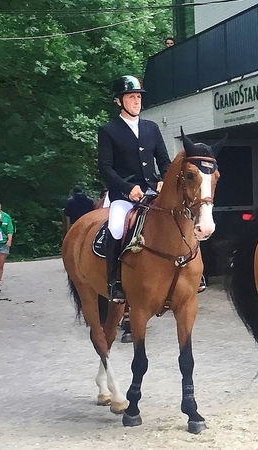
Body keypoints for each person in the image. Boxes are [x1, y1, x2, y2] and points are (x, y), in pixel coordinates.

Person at [98, 75, 171, 303]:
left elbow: (165, 161)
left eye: (138, 97)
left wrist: (164, 180)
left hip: (152, 192)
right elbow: (105, 168)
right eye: (131, 97)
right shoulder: (108, 130)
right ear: (119, 101)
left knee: (179, 219)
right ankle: (114, 281)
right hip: (124, 195)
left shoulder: (152, 128)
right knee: (117, 227)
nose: (136, 101)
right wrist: (128, 188)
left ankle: (190, 273)